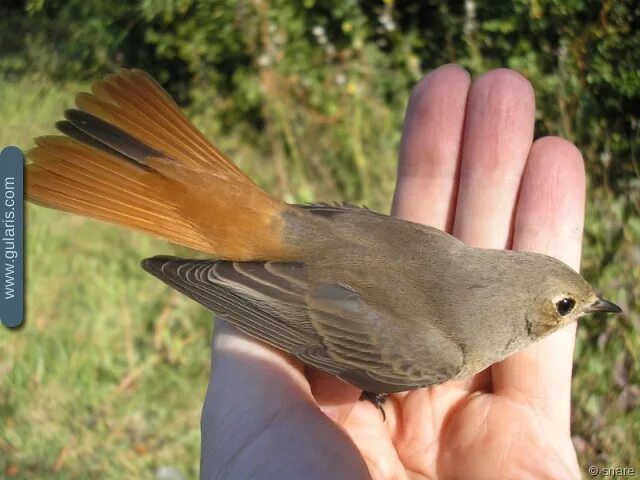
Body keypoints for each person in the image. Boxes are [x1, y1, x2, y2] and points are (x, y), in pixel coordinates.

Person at [200, 65, 585, 480]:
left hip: (297, 233)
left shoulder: (447, 249)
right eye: (564, 306)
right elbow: (310, 321)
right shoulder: (442, 356)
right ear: (533, 313)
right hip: (287, 274)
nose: (572, 310)